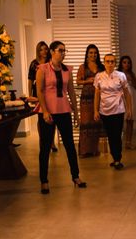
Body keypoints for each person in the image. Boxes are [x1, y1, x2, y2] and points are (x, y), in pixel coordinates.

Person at [35, 41, 87, 193]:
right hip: (48, 111)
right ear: (52, 51)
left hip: (63, 109)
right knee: (45, 146)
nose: (63, 53)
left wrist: (76, 113)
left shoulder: (67, 70)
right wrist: (44, 111)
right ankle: (44, 181)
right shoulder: (42, 69)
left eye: (65, 51)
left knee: (70, 144)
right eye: (60, 50)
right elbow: (39, 91)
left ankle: (76, 177)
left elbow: (70, 91)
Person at [94, 54, 132, 170]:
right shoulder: (99, 76)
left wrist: (129, 109)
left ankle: (117, 159)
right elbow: (97, 94)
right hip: (104, 110)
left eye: (112, 62)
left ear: (115, 63)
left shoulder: (121, 76)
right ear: (104, 63)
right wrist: (95, 110)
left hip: (118, 109)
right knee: (110, 135)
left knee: (117, 134)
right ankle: (114, 157)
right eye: (107, 62)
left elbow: (126, 93)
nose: (110, 64)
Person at [27, 41, 57, 153]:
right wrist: (30, 94)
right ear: (38, 51)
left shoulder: (51, 62)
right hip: (38, 91)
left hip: (50, 91)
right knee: (41, 116)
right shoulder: (34, 63)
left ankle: (52, 142)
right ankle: (43, 140)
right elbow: (30, 80)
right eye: (41, 49)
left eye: (45, 49)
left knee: (52, 117)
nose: (43, 51)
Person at [77, 44, 105, 157]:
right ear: (87, 54)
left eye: (95, 53)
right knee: (85, 123)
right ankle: (84, 151)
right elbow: (78, 81)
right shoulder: (83, 66)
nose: (93, 55)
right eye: (91, 53)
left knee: (95, 123)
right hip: (86, 98)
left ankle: (94, 150)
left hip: (99, 97)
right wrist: (88, 81)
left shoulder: (101, 67)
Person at [117, 55, 136, 150]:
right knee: (119, 121)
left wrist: (131, 79)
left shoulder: (131, 74)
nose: (127, 64)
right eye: (124, 62)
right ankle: (118, 142)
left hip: (130, 97)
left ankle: (128, 142)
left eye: (128, 63)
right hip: (120, 98)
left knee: (130, 120)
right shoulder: (117, 74)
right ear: (121, 63)